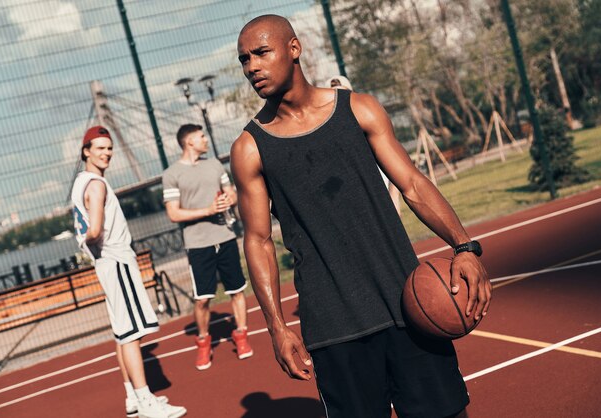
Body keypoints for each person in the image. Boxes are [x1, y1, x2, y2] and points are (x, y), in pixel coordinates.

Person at [231, 15, 491, 418]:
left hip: (407, 305)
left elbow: (413, 184)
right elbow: (258, 241)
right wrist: (278, 328)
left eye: (262, 53)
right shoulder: (250, 148)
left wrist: (464, 245)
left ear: (294, 49)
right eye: (245, 59)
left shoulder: (359, 109)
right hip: (335, 328)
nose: (253, 67)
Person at [71, 126, 186, 418]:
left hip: (105, 263)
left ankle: (133, 398)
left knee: (123, 333)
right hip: (116, 260)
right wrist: (92, 241)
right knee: (133, 334)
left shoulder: (80, 182)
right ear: (86, 151)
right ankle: (146, 401)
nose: (106, 153)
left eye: (109, 149)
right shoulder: (96, 184)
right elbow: (95, 229)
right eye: (100, 148)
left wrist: (88, 247)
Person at [162, 123, 253, 371]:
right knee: (203, 299)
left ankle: (241, 335)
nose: (205, 140)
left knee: (237, 290)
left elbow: (232, 193)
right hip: (198, 244)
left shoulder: (214, 165)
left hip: (224, 237)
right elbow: (173, 213)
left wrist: (228, 199)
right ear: (189, 141)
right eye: (201, 137)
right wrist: (208, 210)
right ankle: (203, 341)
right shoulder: (171, 174)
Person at [326, 74, 402, 214]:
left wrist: (394, 196)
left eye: (344, 94)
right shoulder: (325, 137)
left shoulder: (369, 122)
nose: (340, 101)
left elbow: (394, 164)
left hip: (381, 199)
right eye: (334, 96)